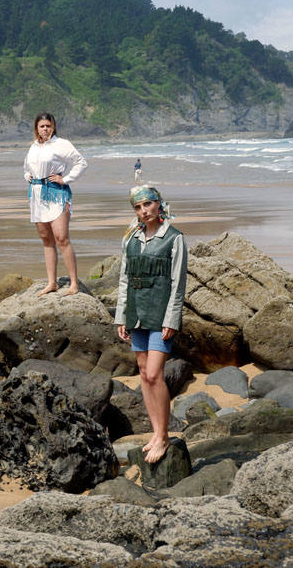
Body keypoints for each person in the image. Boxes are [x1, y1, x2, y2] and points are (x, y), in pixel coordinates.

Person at [114, 185, 188, 464]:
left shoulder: (174, 238)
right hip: (136, 312)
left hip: (160, 314)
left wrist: (172, 318)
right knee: (144, 373)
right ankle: (156, 434)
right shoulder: (130, 239)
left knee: (155, 373)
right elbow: (124, 279)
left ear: (159, 205)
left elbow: (177, 284)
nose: (144, 211)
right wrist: (121, 315)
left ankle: (164, 435)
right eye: (138, 207)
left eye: (148, 204)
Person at [23, 112, 87, 296]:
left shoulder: (61, 144)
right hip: (36, 194)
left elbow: (81, 163)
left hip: (57, 193)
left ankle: (74, 283)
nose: (45, 129)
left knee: (61, 238)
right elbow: (26, 168)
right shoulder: (34, 147)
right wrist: (28, 177)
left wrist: (65, 178)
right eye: (42, 126)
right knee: (46, 239)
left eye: (48, 126)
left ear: (53, 126)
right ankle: (52, 282)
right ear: (36, 128)